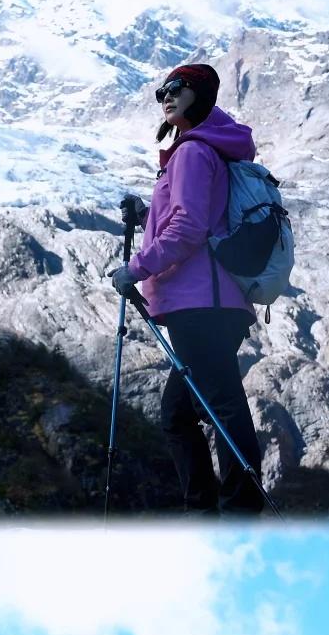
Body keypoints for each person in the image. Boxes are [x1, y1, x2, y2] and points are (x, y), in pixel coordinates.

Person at [112, 64, 266, 515]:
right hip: (214, 300)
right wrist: (146, 216)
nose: (166, 95)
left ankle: (237, 511)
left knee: (219, 404)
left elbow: (188, 228)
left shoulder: (193, 151)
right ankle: (210, 511)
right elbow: (195, 218)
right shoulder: (206, 149)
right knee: (181, 415)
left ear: (200, 94)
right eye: (162, 90)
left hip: (201, 302)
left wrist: (134, 269)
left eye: (177, 88)